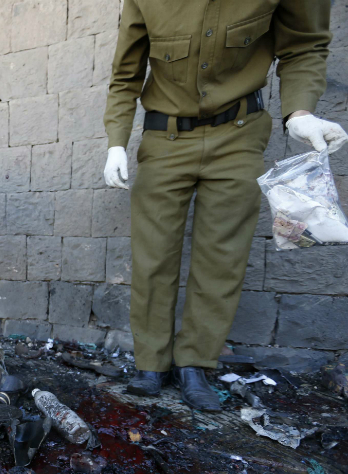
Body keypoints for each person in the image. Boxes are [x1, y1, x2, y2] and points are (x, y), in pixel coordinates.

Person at [102, 1, 348, 411]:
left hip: (238, 135)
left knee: (222, 258)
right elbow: (126, 73)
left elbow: (304, 45)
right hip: (165, 138)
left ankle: (195, 363)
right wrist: (116, 139)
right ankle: (150, 364)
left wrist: (300, 111)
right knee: (152, 256)